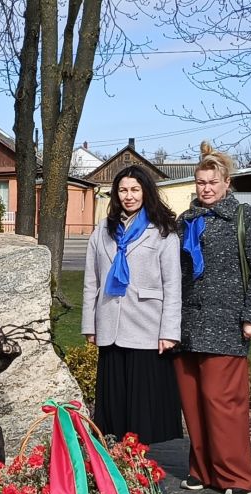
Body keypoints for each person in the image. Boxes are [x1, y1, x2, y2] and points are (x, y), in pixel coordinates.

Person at [175, 142, 251, 494]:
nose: (206, 188)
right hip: (188, 326)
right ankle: (202, 471)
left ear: (227, 182)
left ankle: (237, 475)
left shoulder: (244, 218)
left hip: (227, 325)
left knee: (223, 404)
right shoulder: (186, 221)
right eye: (201, 182)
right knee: (195, 404)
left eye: (212, 182)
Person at [81, 164, 183, 444]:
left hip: (146, 327)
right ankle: (116, 454)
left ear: (145, 192)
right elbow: (92, 280)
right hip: (110, 324)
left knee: (142, 405)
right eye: (123, 190)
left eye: (135, 190)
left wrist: (169, 332)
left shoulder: (162, 232)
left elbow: (173, 285)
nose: (129, 196)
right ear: (115, 194)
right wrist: (89, 325)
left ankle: (140, 459)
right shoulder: (102, 231)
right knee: (113, 403)